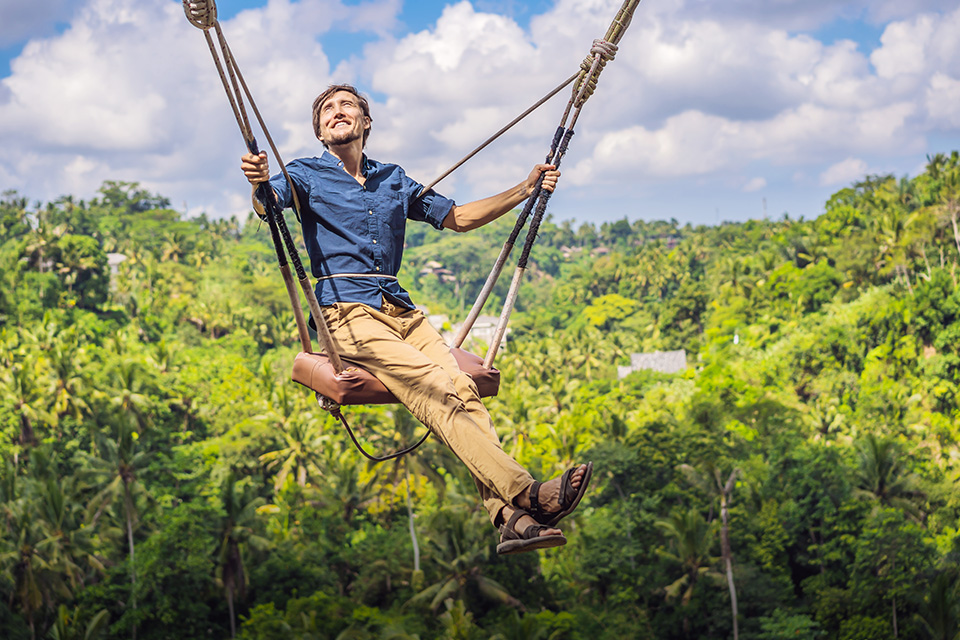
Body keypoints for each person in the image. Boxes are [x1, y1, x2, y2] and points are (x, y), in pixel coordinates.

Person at [241, 84, 592, 555]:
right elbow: (268, 203)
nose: (336, 112)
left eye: (347, 105)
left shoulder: (392, 179)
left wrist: (525, 188)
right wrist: (258, 183)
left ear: (366, 123)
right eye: (326, 110)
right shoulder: (302, 175)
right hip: (345, 312)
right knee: (435, 383)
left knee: (462, 391)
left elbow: (461, 218)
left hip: (403, 313)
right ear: (320, 131)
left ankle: (508, 517)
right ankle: (527, 493)